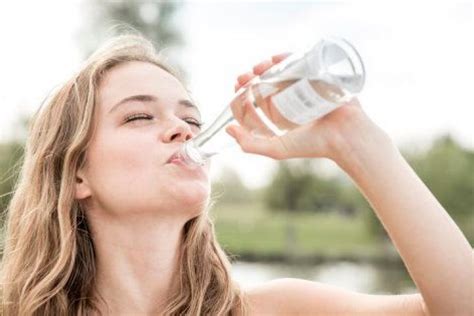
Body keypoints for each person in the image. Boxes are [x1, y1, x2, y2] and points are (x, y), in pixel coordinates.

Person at [0, 33, 471, 316]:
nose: (181, 131)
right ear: (77, 172)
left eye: (192, 120)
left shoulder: (274, 309)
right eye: (140, 117)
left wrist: (357, 143)